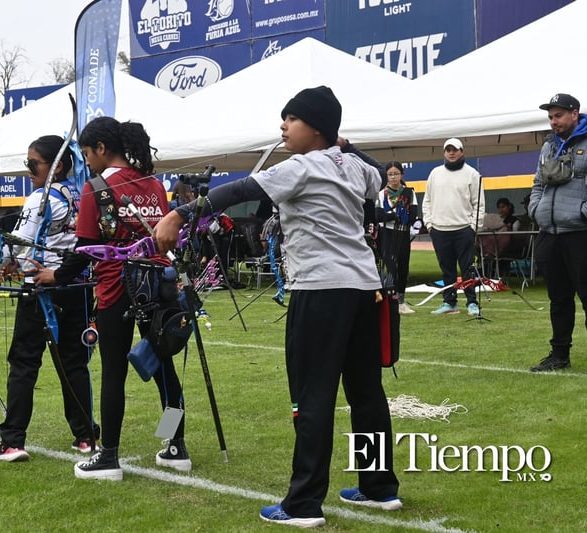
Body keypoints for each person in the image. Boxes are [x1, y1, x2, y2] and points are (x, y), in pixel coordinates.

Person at [155, 86, 401, 527]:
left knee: (313, 395)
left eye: (292, 119)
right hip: (366, 290)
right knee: (366, 393)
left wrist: (179, 214)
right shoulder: (355, 169)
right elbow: (381, 172)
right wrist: (347, 145)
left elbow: (240, 190)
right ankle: (379, 487)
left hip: (322, 291)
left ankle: (303, 503)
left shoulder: (301, 167)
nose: (283, 126)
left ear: (317, 126)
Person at [35, 116, 191, 481]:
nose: (87, 160)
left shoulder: (97, 187)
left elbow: (86, 248)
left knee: (114, 374)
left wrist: (55, 275)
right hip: (158, 286)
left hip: (117, 288)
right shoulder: (153, 184)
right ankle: (174, 445)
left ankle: (109, 457)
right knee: (163, 367)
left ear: (102, 148)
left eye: (88, 153)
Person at [0, 134, 100, 460]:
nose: (29, 170)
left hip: (42, 292)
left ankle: (12, 441)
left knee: (24, 364)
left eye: (34, 164)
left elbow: (12, 246)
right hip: (74, 289)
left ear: (56, 166)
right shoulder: (81, 194)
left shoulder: (40, 198)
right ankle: (86, 436)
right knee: (73, 363)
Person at [528, 92, 587, 372]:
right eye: (550, 117)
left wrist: (581, 213)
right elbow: (538, 182)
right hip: (550, 233)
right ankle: (559, 355)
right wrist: (536, 211)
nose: (553, 121)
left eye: (559, 115)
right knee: (559, 299)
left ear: (574, 114)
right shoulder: (549, 145)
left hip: (580, 234)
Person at [422, 138, 485, 316]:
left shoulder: (472, 174)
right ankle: (449, 303)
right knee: (446, 269)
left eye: (455, 150)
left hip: (464, 229)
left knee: (468, 268)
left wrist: (473, 227)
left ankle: (472, 302)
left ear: (462, 152)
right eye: (448, 150)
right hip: (440, 229)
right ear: (444, 152)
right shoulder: (435, 173)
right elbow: (427, 200)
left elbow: (479, 204)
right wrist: (430, 224)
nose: (451, 153)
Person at [376, 162, 418, 314]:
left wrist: (393, 217)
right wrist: (396, 215)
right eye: (390, 174)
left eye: (396, 174)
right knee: (390, 266)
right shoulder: (382, 194)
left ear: (401, 175)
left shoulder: (408, 193)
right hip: (387, 233)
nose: (393, 177)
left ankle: (401, 300)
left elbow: (412, 215)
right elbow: (379, 215)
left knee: (403, 266)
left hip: (403, 233)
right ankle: (390, 299)